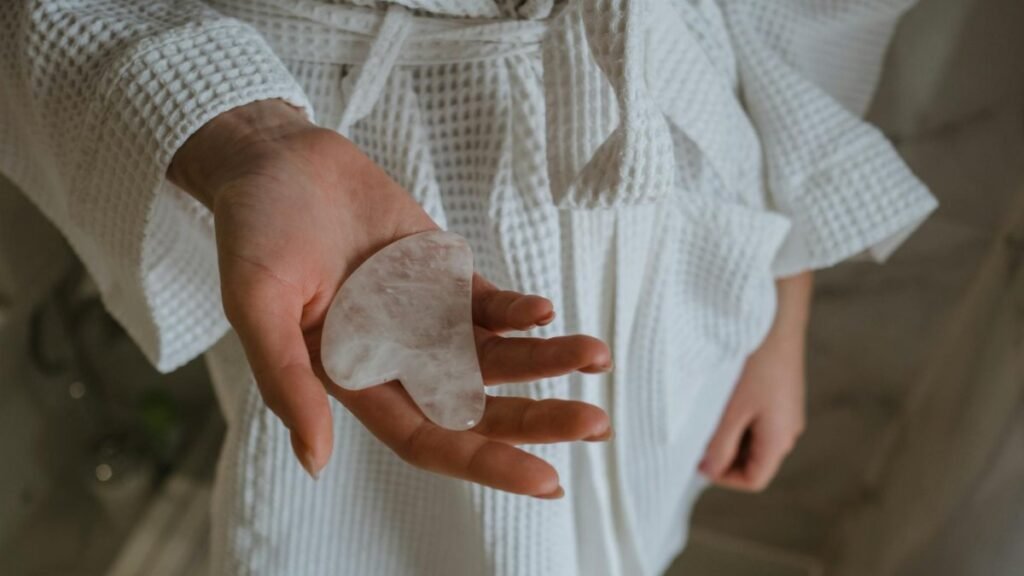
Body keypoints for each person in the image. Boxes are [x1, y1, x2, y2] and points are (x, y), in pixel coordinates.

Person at [0, 0, 937, 574]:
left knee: (628, 510)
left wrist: (786, 298)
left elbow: (819, 15)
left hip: (677, 183)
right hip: (348, 191)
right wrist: (246, 136)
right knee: (356, 535)